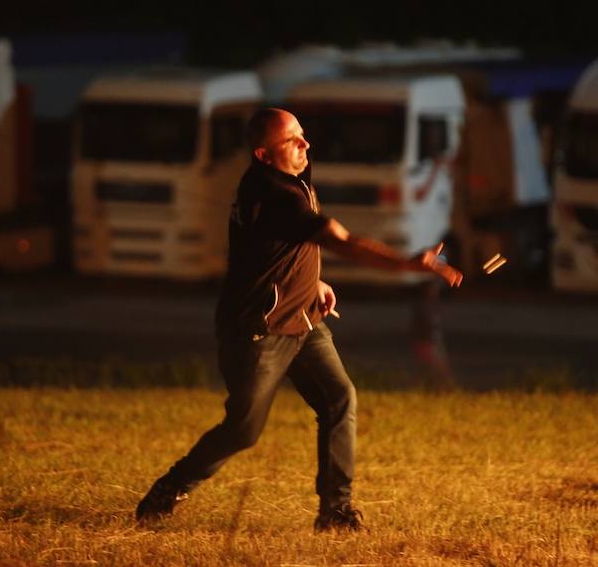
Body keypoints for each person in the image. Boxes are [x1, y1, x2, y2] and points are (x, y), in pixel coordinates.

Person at [135, 108, 463, 532]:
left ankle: (336, 512)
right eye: (292, 140)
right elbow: (341, 240)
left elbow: (272, 249)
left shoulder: (291, 181)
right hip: (260, 328)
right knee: (242, 431)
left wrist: (313, 279)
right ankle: (170, 487)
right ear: (263, 154)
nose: (305, 145)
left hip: (303, 319)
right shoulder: (273, 192)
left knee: (340, 398)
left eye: (303, 135)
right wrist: (407, 263)